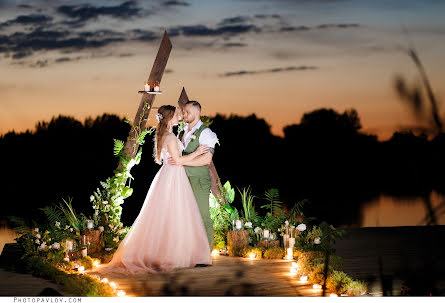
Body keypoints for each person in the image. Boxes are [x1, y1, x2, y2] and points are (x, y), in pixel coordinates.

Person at [96, 105, 212, 275]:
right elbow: (178, 160)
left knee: (169, 215)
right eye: (176, 115)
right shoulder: (170, 137)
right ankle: (174, 254)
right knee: (176, 214)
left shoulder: (166, 135)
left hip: (169, 174)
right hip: (174, 176)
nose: (179, 117)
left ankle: (175, 251)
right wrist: (198, 152)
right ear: (169, 118)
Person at [168, 100, 218, 254]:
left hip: (199, 180)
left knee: (203, 216)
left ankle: (206, 253)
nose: (183, 115)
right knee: (186, 216)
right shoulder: (182, 131)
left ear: (197, 113)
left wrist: (180, 163)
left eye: (187, 112)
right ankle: (189, 250)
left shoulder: (206, 133)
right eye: (183, 112)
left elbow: (206, 160)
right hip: (182, 180)